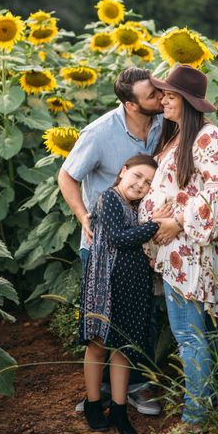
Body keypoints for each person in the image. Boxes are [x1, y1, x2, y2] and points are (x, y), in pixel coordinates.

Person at [58, 67, 164, 415]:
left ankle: (131, 387)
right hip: (104, 245)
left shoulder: (163, 123)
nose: (160, 98)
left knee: (137, 316)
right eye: (152, 95)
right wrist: (82, 216)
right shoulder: (100, 133)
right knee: (102, 321)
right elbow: (67, 176)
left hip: (144, 245)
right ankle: (99, 392)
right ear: (131, 105)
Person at [138, 65, 218, 425]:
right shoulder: (178, 137)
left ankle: (196, 415)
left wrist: (176, 220)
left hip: (191, 253)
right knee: (203, 331)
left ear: (189, 103)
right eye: (163, 94)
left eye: (170, 95)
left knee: (190, 335)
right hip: (177, 253)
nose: (163, 99)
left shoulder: (208, 138)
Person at [78, 155, 172, 434]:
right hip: (105, 286)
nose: (141, 184)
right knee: (98, 345)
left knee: (124, 349)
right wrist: (156, 224)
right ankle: (94, 405)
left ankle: (119, 410)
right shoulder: (108, 199)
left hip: (131, 287)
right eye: (137, 176)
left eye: (148, 183)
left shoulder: (136, 207)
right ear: (123, 172)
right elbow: (119, 238)